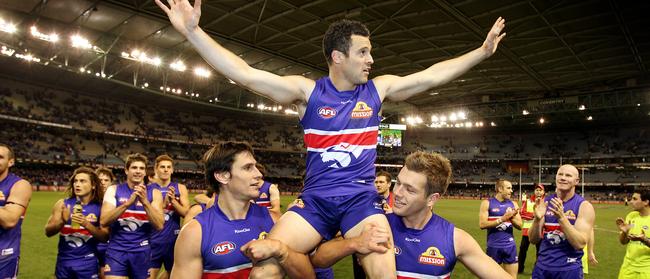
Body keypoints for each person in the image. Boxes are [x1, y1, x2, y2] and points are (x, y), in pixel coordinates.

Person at [156, 1, 506, 277]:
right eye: (363, 53)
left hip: (361, 202)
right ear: (338, 57)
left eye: (371, 52)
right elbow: (245, 74)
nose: (372, 59)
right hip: (316, 202)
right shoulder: (307, 92)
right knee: (265, 268)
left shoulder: (378, 90)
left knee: (384, 268)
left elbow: (430, 77)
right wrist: (193, 32)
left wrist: (481, 52)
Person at [311, 151, 511, 278]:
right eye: (398, 182)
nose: (397, 193)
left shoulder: (456, 239)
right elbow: (318, 259)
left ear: (432, 198)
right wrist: (354, 244)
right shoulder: (375, 224)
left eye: (410, 189)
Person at [171, 141, 315, 278]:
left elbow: (308, 276)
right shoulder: (194, 233)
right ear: (223, 176)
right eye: (248, 167)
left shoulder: (275, 220)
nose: (259, 174)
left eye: (256, 166)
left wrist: (281, 251)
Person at [100, 153, 164, 279]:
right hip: (116, 251)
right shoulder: (113, 190)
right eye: (134, 168)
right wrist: (127, 204)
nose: (138, 171)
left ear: (145, 172)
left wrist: (145, 202)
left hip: (142, 252)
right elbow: (104, 220)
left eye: (141, 168)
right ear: (126, 170)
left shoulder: (154, 193)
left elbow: (159, 225)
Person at [529, 164, 596, 279]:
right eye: (560, 174)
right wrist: (537, 219)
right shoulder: (545, 202)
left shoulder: (584, 206)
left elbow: (579, 244)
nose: (563, 178)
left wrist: (562, 218)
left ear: (576, 181)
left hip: (569, 269)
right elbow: (533, 239)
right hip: (542, 268)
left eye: (568, 175)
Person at [45, 167, 109, 279]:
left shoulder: (100, 207)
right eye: (75, 181)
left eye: (82, 181)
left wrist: (86, 224)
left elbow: (104, 237)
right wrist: (62, 222)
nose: (77, 184)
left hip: (88, 262)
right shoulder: (62, 204)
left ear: (93, 185)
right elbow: (48, 232)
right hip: (64, 261)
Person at [148, 155, 190, 279]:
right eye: (162, 167)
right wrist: (164, 204)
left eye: (168, 167)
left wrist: (174, 202)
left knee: (172, 274)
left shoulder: (180, 188)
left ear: (172, 170)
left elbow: (186, 213)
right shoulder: (147, 189)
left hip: (173, 240)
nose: (166, 170)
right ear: (156, 169)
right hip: (152, 240)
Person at [0, 143, 32, 278]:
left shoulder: (20, 185)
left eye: (0, 157)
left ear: (10, 162)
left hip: (3, 258)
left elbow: (9, 220)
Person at [479, 179, 522, 278]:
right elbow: (482, 224)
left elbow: (520, 225)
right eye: (508, 188)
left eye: (511, 188)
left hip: (510, 246)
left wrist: (511, 218)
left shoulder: (513, 204)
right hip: (493, 246)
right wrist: (502, 219)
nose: (511, 191)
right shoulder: (487, 203)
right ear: (500, 189)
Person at [615, 188, 650, 279]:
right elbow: (623, 242)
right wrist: (624, 232)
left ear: (646, 202)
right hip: (628, 267)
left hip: (646, 269)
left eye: (635, 199)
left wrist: (644, 240)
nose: (630, 202)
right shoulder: (631, 216)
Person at [518, 183, 545, 274]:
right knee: (522, 250)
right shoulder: (528, 201)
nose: (538, 192)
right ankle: (519, 269)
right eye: (537, 190)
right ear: (534, 191)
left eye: (540, 190)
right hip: (527, 231)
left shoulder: (545, 202)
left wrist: (537, 216)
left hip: (541, 231)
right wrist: (535, 216)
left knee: (540, 252)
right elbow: (522, 213)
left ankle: (537, 270)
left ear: (543, 192)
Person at [95, 166, 116, 279]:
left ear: (111, 183)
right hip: (91, 246)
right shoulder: (88, 201)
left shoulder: (117, 201)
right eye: (100, 180)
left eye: (106, 180)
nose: (103, 183)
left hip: (110, 246)